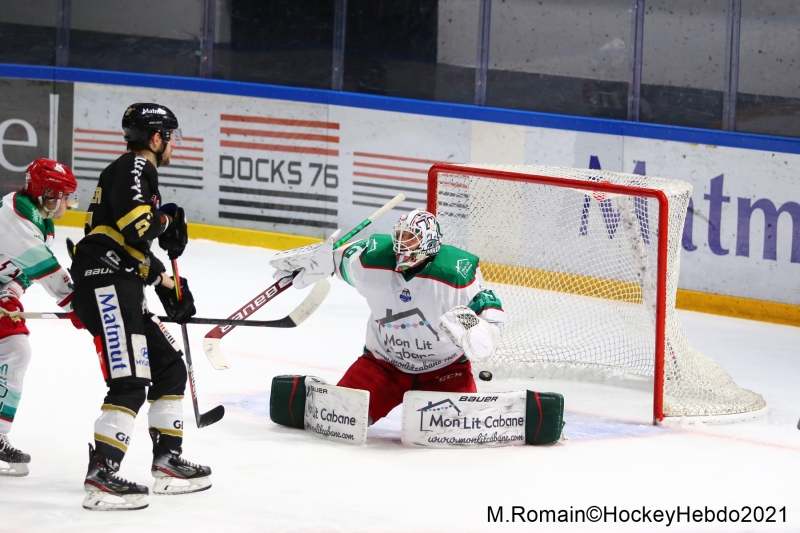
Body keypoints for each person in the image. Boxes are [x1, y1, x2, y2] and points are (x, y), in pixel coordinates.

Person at [70, 103, 208, 511]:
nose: (172, 146)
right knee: (130, 379)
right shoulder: (135, 167)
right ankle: (103, 475)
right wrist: (169, 221)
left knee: (168, 365)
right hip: (107, 287)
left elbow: (122, 242)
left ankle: (167, 462)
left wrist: (166, 281)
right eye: (169, 137)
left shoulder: (129, 171)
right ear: (154, 138)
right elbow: (138, 227)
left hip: (118, 281)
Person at [269, 209, 506, 425]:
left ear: (430, 242)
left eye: (410, 238)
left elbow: (490, 310)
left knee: (458, 429)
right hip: (382, 366)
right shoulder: (371, 259)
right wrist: (320, 260)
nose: (401, 245)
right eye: (399, 237)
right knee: (336, 420)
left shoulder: (456, 273)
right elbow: (336, 260)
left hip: (444, 371)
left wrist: (482, 333)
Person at [0, 158, 85, 476]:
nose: (68, 203)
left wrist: (12, 293)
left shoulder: (40, 222)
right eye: (65, 195)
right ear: (48, 193)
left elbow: (20, 273)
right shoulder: (15, 219)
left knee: (15, 349)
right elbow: (48, 272)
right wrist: (80, 306)